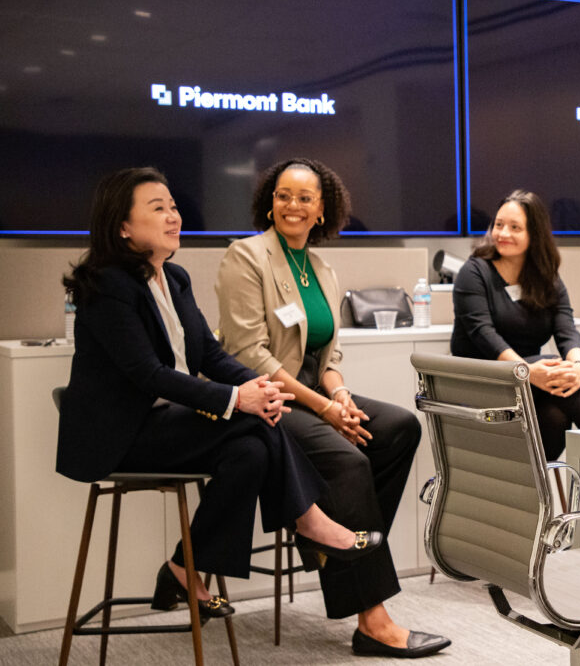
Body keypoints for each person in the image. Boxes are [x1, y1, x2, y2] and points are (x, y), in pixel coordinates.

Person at [57, 167, 382, 622]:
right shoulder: (108, 284)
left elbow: (209, 353)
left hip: (166, 420)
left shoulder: (174, 277)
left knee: (250, 450)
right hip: (122, 433)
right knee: (252, 420)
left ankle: (182, 569)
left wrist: (259, 387)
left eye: (173, 207)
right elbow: (148, 374)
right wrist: (237, 399)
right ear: (123, 227)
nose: (174, 216)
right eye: (158, 209)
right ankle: (309, 521)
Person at [215, 158, 448, 659]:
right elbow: (248, 353)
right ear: (269, 202)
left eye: (304, 198)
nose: (292, 205)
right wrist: (325, 408)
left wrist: (339, 395)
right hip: (266, 399)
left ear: (322, 209)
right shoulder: (246, 256)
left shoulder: (320, 267)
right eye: (283, 195)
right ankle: (373, 619)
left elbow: (328, 355)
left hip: (312, 391)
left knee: (397, 428)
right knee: (348, 460)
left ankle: (337, 546)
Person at [450, 189, 580, 464]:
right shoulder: (473, 273)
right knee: (551, 363)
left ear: (535, 233)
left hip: (528, 385)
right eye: (498, 225)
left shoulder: (546, 278)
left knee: (556, 416)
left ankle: (531, 496)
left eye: (514, 227)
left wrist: (579, 367)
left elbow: (567, 329)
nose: (503, 233)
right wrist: (525, 371)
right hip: (481, 382)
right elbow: (484, 335)